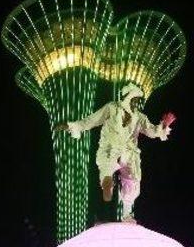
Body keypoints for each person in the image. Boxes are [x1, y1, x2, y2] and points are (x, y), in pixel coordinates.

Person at [56, 83, 174, 221]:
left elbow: (152, 131)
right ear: (127, 98)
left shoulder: (139, 117)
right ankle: (107, 183)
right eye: (134, 99)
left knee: (132, 179)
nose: (136, 103)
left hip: (128, 152)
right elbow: (93, 120)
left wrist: (163, 126)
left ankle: (125, 212)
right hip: (111, 147)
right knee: (107, 165)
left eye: (137, 100)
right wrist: (73, 126)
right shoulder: (112, 108)